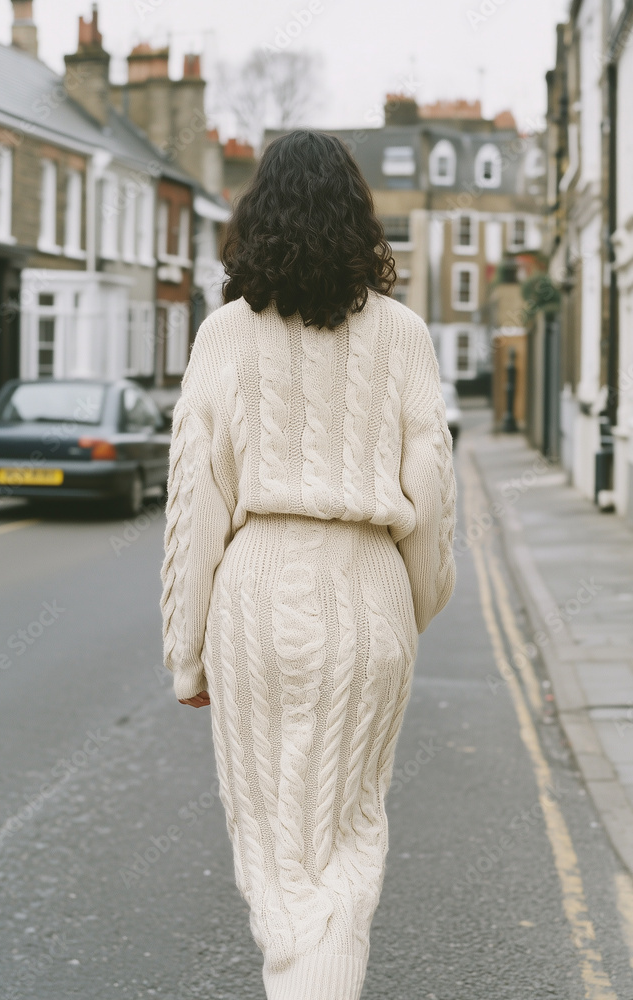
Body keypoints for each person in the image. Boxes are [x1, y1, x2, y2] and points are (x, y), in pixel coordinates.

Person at [160, 128, 456, 1000]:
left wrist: (187, 652)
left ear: (256, 219)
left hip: (252, 602)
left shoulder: (223, 336)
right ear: (359, 217)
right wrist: (410, 611)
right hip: (368, 599)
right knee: (343, 837)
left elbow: (195, 506)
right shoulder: (402, 335)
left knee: (273, 849)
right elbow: (432, 494)